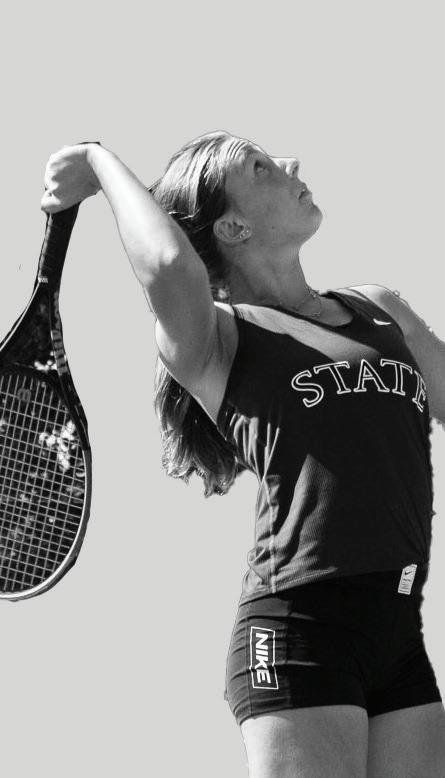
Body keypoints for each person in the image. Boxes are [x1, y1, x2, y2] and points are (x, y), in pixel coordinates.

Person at [41, 132, 445, 777]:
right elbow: (169, 266)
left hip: (398, 626)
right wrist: (97, 161)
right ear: (233, 227)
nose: (289, 163)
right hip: (299, 627)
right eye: (259, 167)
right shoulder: (218, 337)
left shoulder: (379, 308)